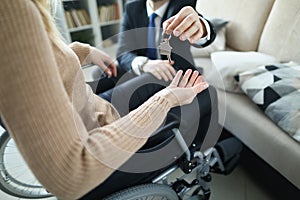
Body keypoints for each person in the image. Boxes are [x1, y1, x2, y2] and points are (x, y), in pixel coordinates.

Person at [0, 0, 211, 199]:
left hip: (101, 106)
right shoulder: (133, 6)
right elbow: (123, 53)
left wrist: (201, 28)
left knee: (200, 93)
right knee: (110, 76)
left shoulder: (183, 3)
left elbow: (33, 63)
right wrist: (147, 68)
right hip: (99, 127)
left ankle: (196, 139)